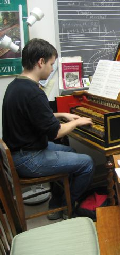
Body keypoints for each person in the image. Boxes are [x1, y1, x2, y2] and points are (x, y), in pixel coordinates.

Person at [2, 38, 94, 220]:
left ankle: (57, 199)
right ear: (40, 62)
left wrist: (61, 115)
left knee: (71, 150)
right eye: (51, 64)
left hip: (19, 153)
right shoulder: (34, 92)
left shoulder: (17, 85)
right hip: (28, 158)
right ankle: (67, 206)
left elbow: (34, 117)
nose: (52, 69)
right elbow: (56, 132)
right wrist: (76, 122)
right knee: (87, 162)